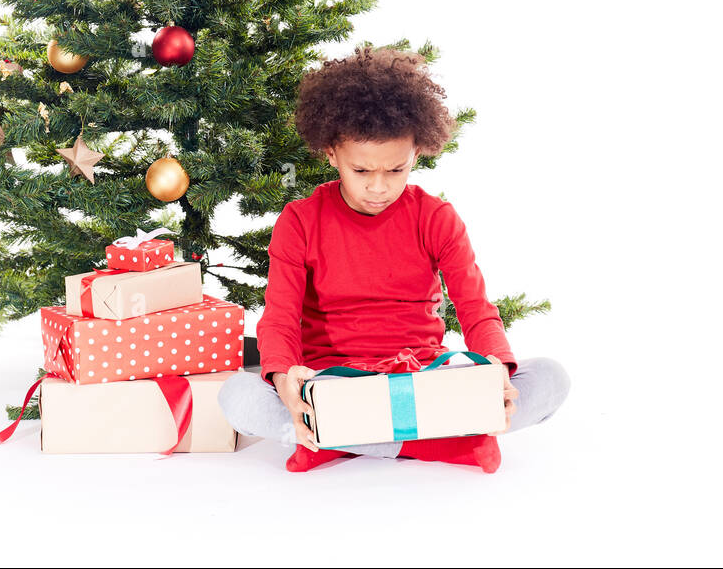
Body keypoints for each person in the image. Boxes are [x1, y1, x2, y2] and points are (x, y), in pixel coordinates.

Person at [218, 46, 570, 472]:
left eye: (396, 170)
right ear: (331, 153)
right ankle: (439, 439)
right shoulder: (300, 220)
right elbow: (279, 319)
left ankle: (338, 439)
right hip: (335, 383)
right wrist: (282, 378)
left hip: (422, 377)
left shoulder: (436, 217)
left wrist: (496, 367)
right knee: (236, 396)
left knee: (550, 377)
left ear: (416, 154)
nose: (379, 188)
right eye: (362, 171)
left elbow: (476, 309)